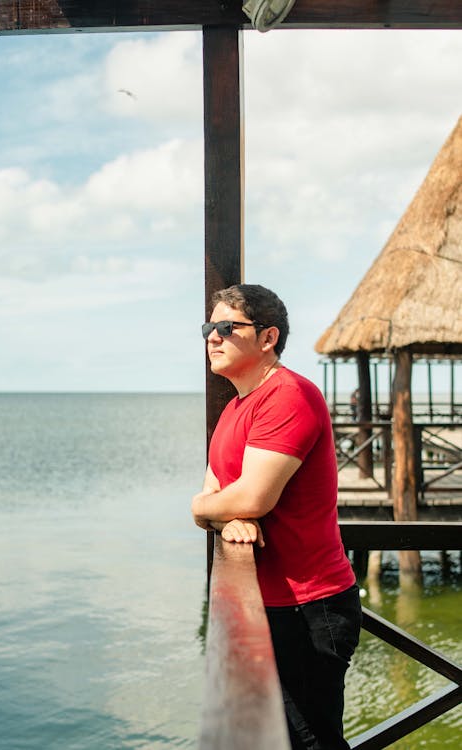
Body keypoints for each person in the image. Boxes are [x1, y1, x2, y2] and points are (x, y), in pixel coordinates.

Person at [192, 284, 361, 750]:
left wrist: (207, 508)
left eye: (227, 327)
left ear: (268, 338)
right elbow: (219, 493)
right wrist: (227, 516)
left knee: (311, 742)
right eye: (209, 326)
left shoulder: (289, 396)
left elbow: (250, 496)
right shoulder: (233, 408)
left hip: (310, 606)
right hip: (265, 606)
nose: (212, 336)